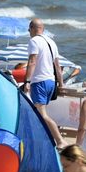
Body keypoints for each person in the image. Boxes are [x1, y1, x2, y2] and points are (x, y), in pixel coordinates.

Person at [23, 18, 64, 147]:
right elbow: (57, 66)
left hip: (39, 81)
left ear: (32, 28)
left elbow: (32, 62)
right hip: (51, 82)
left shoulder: (34, 41)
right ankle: (46, 139)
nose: (29, 32)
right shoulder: (51, 42)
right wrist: (61, 84)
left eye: (29, 29)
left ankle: (60, 140)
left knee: (42, 114)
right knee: (41, 114)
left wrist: (27, 81)